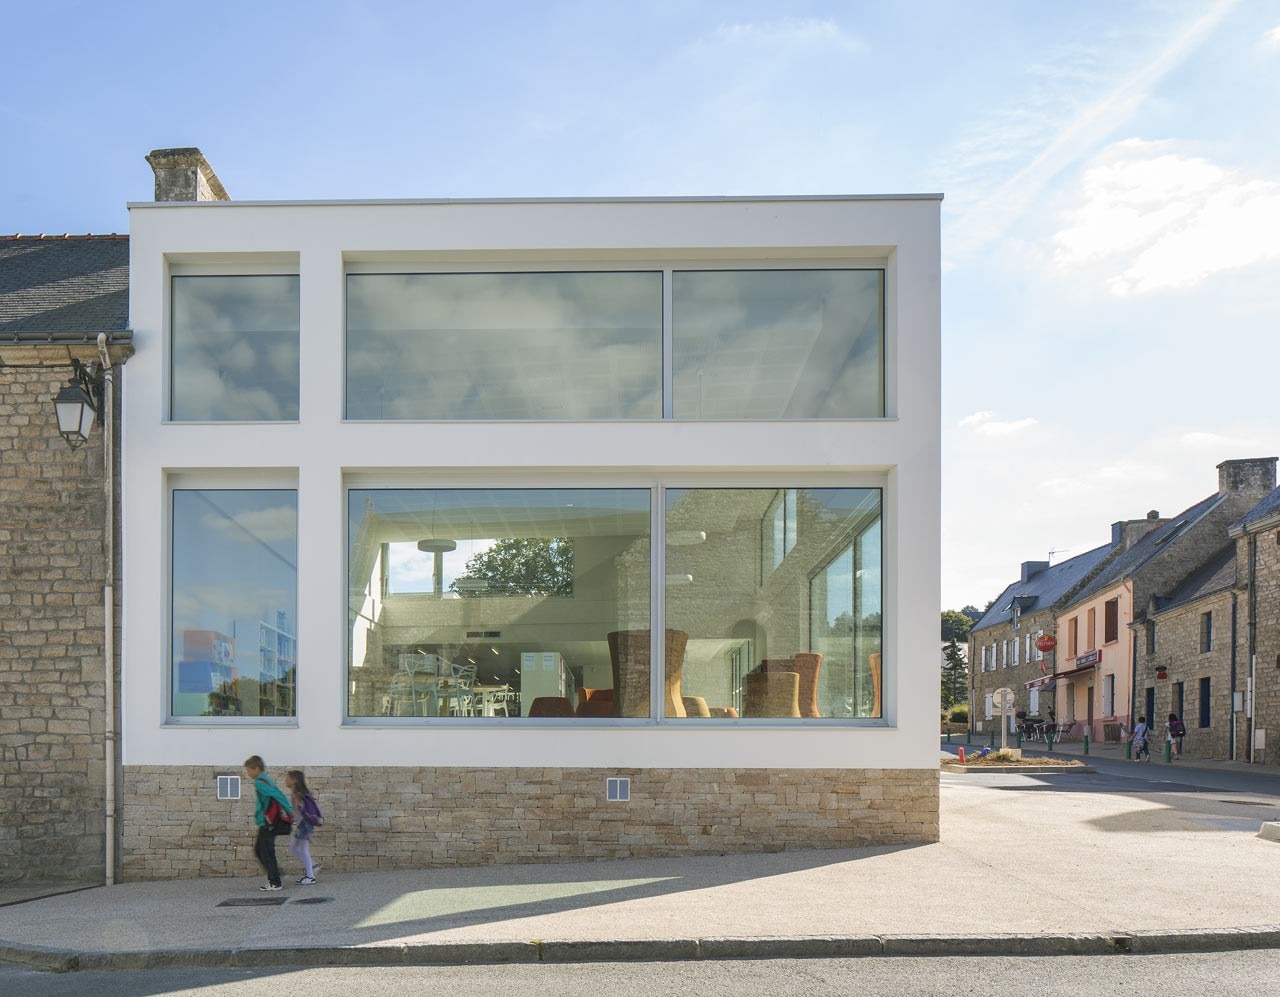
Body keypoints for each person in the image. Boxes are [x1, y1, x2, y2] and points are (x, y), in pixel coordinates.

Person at [244, 755, 292, 891]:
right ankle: (275, 874)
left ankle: (275, 881)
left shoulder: (260, 782)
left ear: (256, 768)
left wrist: (290, 810)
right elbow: (279, 794)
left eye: (249, 770)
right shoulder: (266, 779)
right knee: (260, 850)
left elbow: (276, 795)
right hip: (266, 822)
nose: (248, 773)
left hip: (267, 822)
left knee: (265, 851)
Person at [285, 769, 321, 885]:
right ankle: (312, 866)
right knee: (293, 847)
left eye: (288, 778)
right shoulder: (303, 793)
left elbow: (295, 813)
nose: (286, 781)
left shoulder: (296, 795)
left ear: (294, 780)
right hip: (304, 824)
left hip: (304, 825)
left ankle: (310, 876)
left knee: (302, 850)